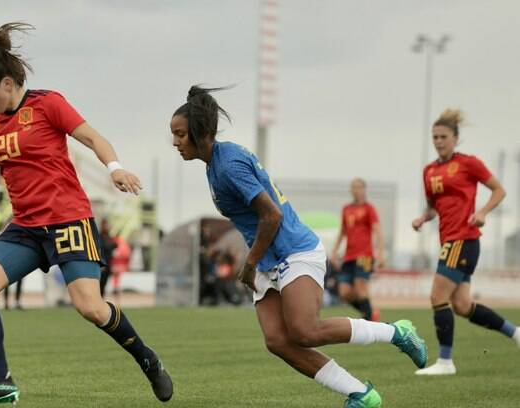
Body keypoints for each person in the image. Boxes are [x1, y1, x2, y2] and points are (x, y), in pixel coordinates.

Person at [0, 22, 172, 407]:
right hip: (25, 227)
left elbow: (92, 137)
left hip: (68, 220)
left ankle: (147, 358)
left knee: (90, 307)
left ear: (8, 83)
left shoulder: (47, 104)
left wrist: (115, 169)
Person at [170, 85, 427, 407]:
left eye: (180, 135)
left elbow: (271, 215)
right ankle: (362, 394)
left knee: (306, 331)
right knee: (278, 340)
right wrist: (256, 263)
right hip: (268, 260)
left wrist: (248, 264)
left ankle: (397, 333)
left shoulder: (228, 164)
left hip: (294, 251)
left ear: (200, 132)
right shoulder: (215, 164)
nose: (175, 142)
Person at [412, 109, 519, 375]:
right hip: (449, 240)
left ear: (456, 138)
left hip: (463, 239)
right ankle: (516, 333)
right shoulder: (429, 171)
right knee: (461, 305)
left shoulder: (469, 163)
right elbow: (434, 207)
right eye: (434, 137)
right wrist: (423, 218)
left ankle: (446, 362)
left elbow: (499, 190)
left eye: (443, 136)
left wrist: (482, 212)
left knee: (437, 295)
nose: (438, 141)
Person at [330, 178, 384, 321]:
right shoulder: (346, 209)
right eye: (354, 187)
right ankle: (370, 313)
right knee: (344, 292)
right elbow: (342, 232)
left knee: (360, 287)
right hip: (349, 256)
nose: (356, 190)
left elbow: (378, 230)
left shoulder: (369, 209)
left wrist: (381, 254)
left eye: (359, 187)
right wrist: (334, 251)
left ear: (364, 190)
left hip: (365, 255)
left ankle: (368, 321)